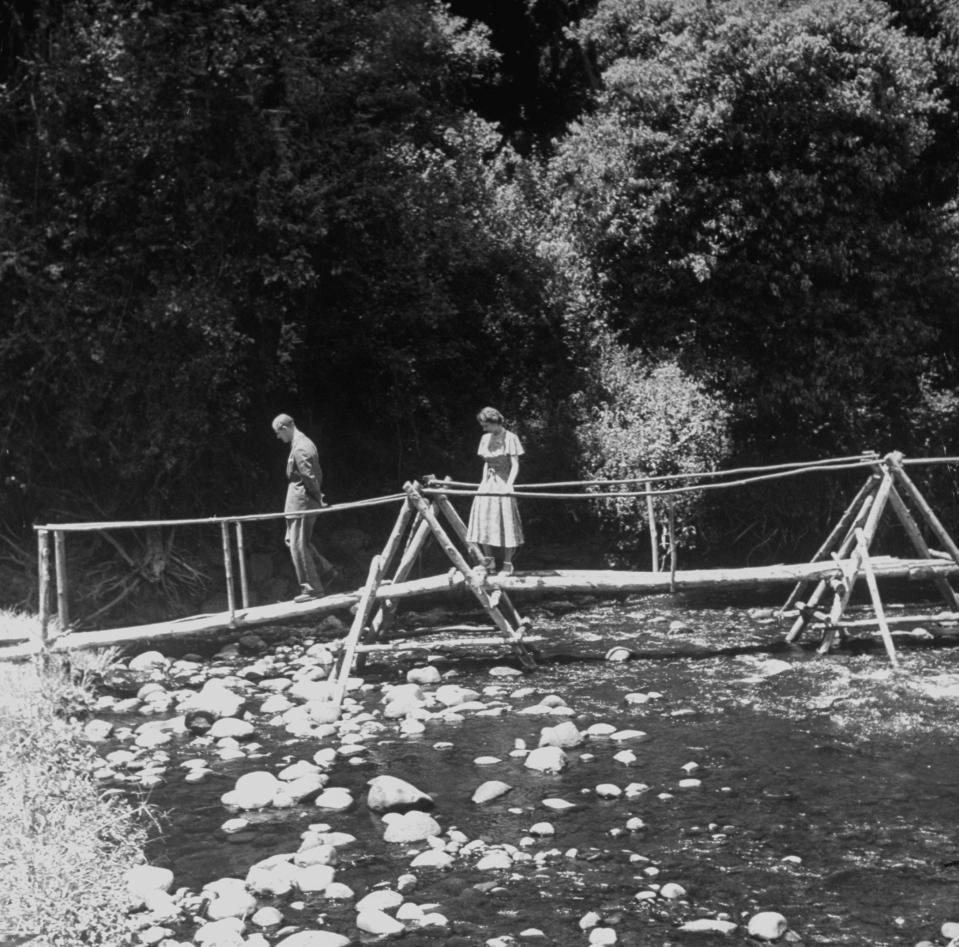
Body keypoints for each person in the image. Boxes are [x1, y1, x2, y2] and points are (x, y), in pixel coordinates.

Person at [272, 413, 325, 602]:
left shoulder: (301, 446)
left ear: (284, 428)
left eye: (278, 433)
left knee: (298, 545)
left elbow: (309, 475)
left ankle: (312, 589)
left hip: (301, 503)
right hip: (299, 502)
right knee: (293, 541)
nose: (278, 437)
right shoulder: (302, 443)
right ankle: (326, 572)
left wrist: (318, 497)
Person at [466, 406, 524, 576]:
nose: (484, 429)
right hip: (488, 484)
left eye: (486, 425)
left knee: (506, 522)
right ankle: (488, 561)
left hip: (503, 482)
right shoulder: (485, 438)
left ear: (495, 423)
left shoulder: (511, 438)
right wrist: (482, 483)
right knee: (483, 520)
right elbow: (487, 462)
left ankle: (507, 564)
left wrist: (509, 485)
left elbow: (515, 465)